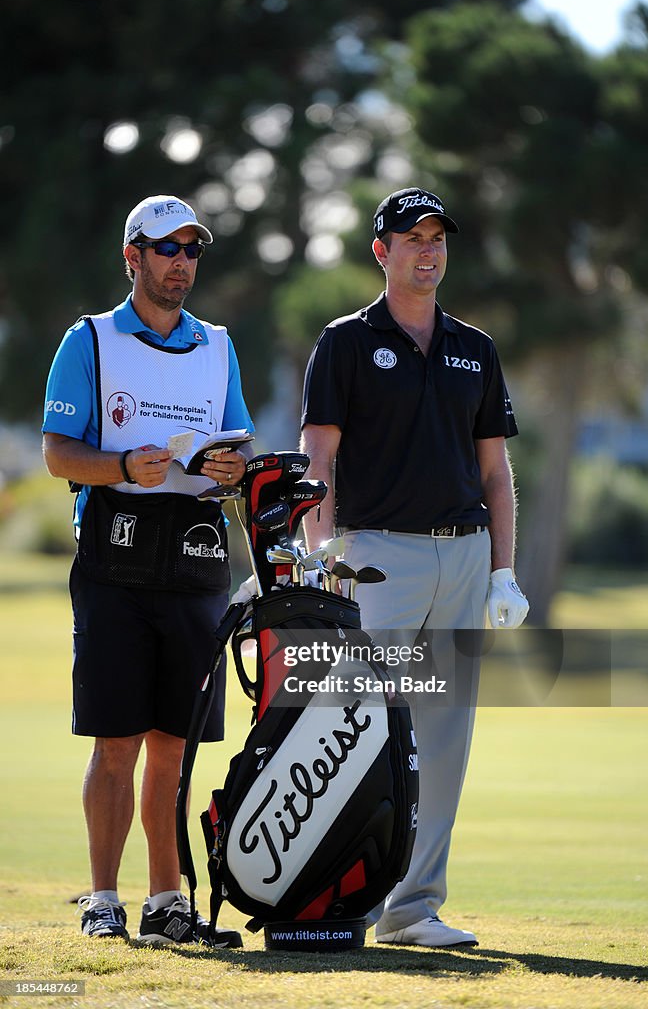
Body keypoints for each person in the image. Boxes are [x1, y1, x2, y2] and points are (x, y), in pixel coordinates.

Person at [300, 187, 529, 948]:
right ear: (381, 251)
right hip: (374, 558)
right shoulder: (344, 341)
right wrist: (321, 558)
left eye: (437, 238)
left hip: (462, 556)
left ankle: (411, 908)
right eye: (411, 238)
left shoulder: (475, 348)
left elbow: (494, 473)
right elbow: (318, 461)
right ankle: (330, 895)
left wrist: (502, 571)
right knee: (351, 729)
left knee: (442, 738)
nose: (427, 251)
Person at [42, 195, 254, 947]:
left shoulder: (217, 344)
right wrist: (124, 464)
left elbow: (237, 454)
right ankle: (104, 898)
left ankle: (168, 901)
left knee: (174, 742)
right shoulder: (90, 340)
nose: (182, 262)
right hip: (114, 557)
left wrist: (231, 466)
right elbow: (58, 453)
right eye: (167, 248)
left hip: (197, 560)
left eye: (193, 249)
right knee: (117, 742)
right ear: (133, 257)